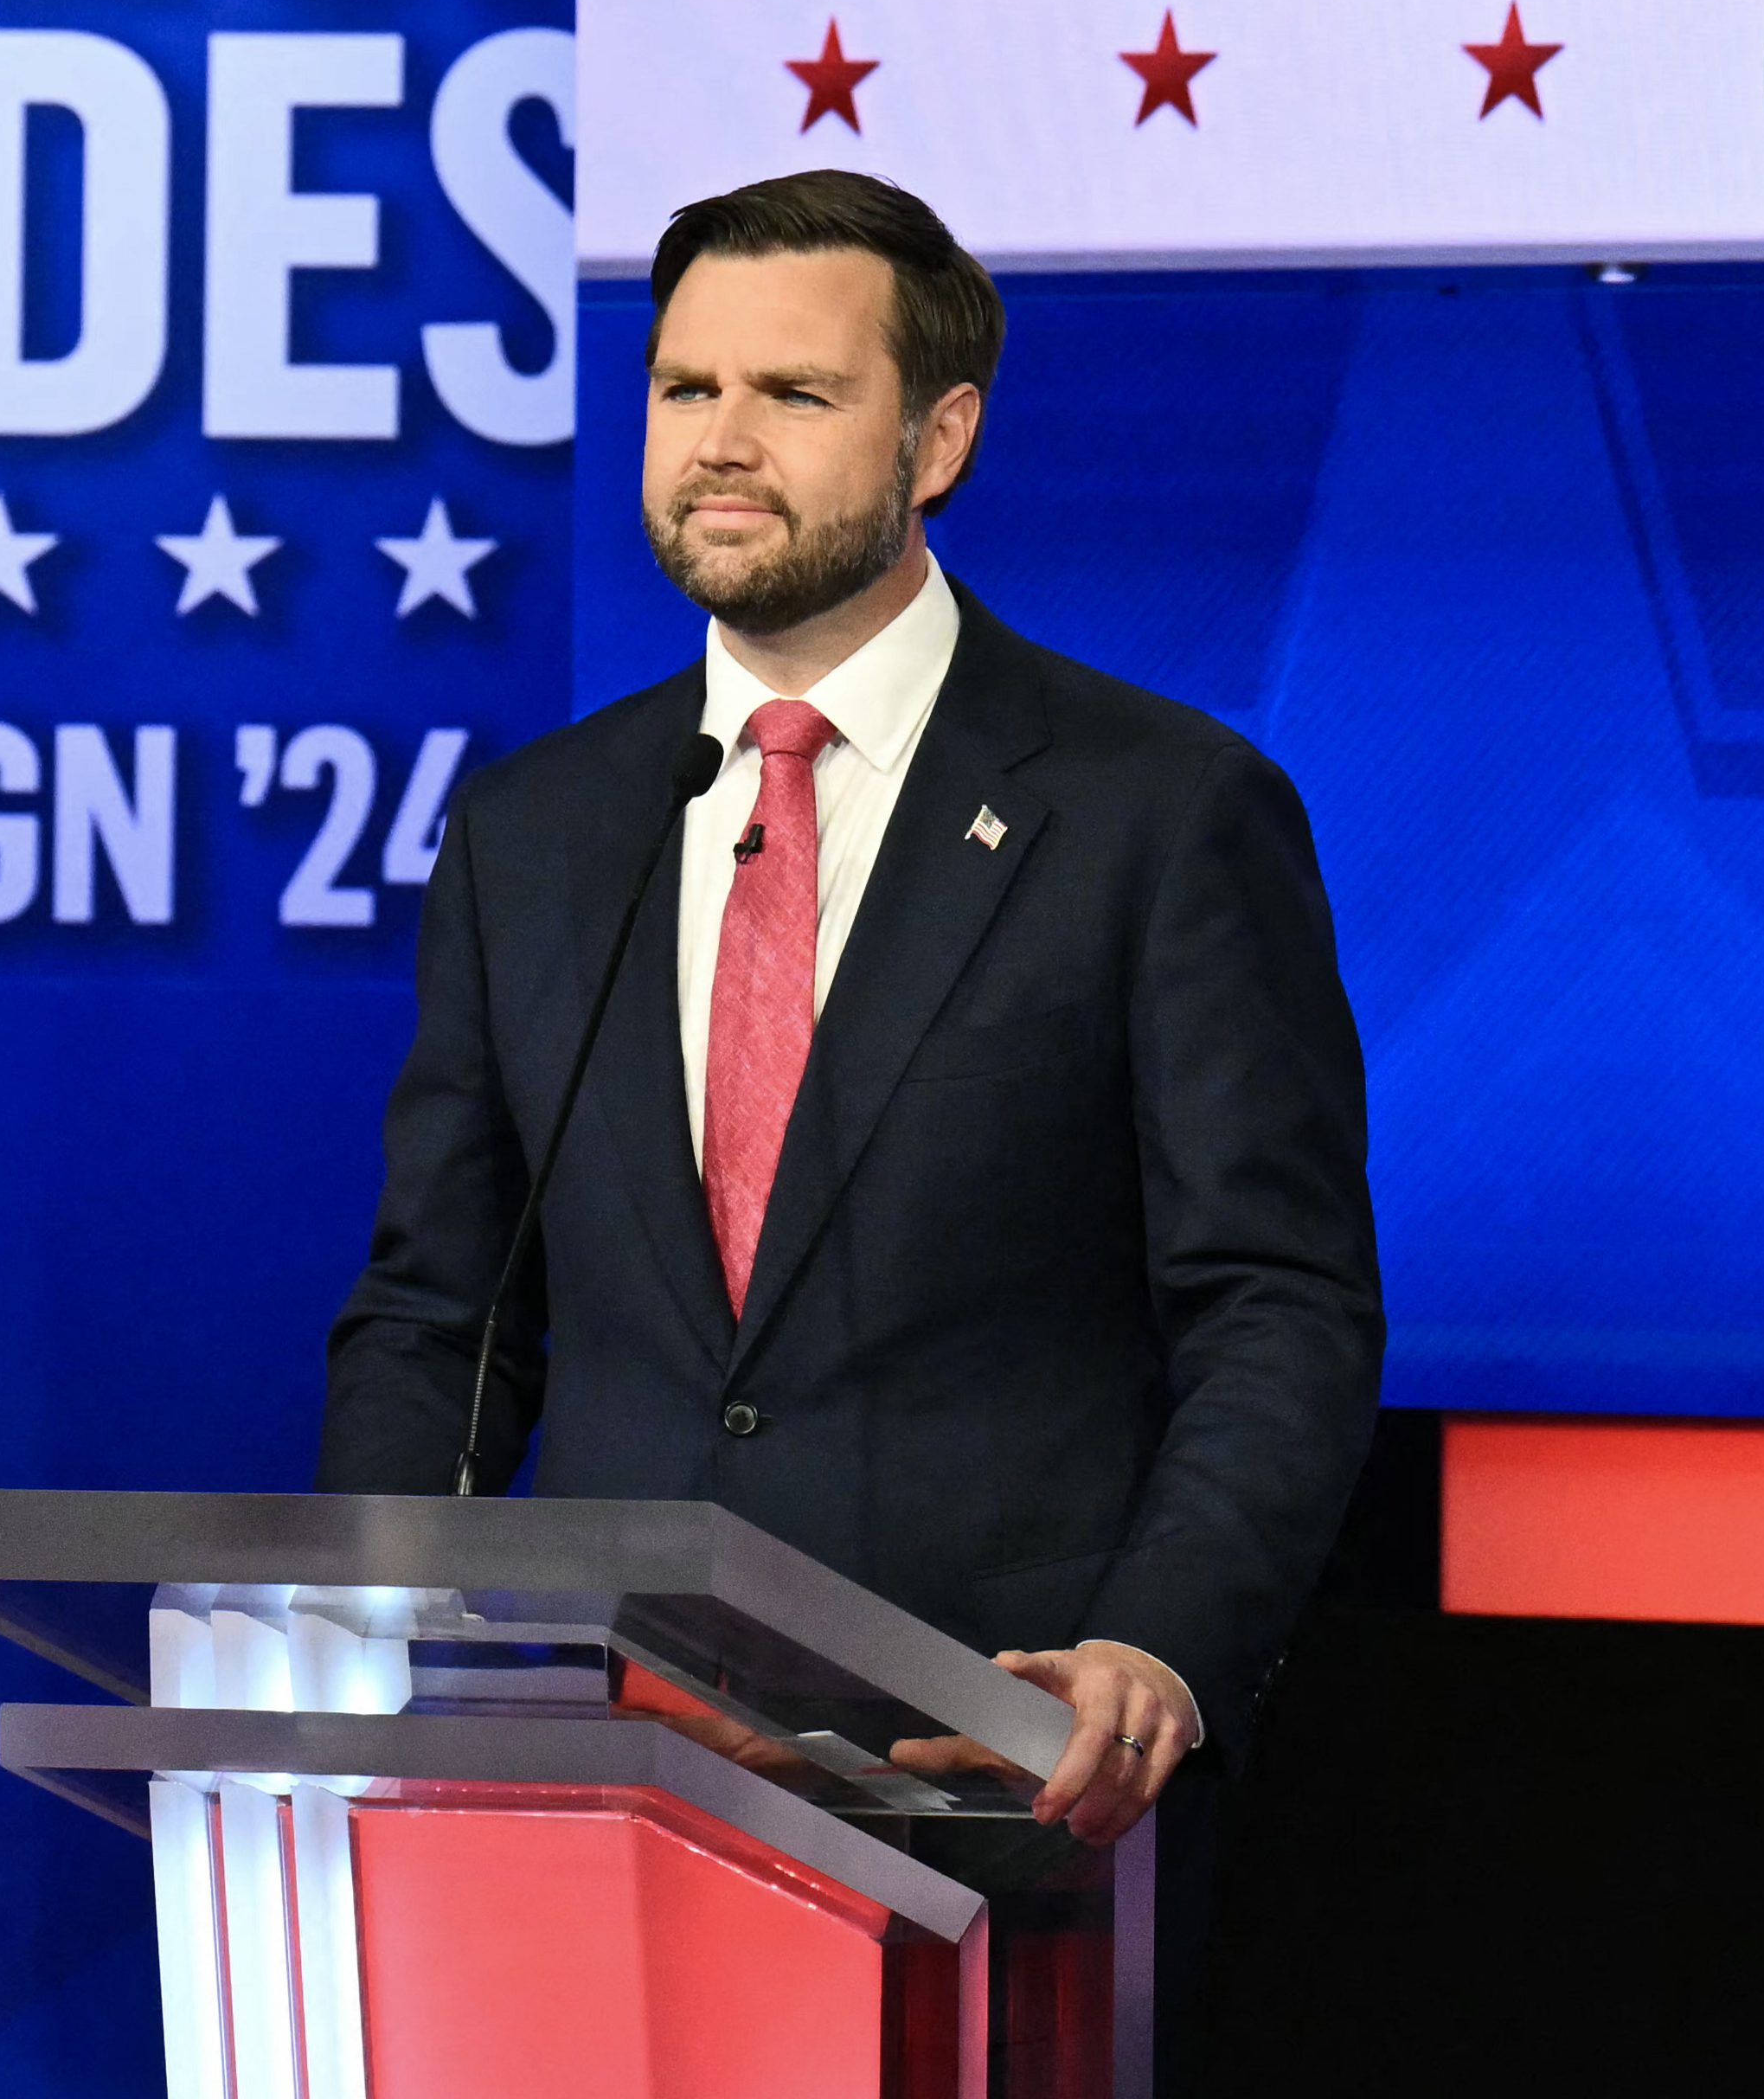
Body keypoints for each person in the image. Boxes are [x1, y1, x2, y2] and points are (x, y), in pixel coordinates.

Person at [318, 167, 1382, 2046]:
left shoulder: (1157, 812)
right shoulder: (538, 835)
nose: (719, 445)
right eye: (682, 391)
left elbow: (1275, 1305)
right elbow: (441, 1311)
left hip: (1000, 1788)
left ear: (939, 436)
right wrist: (358, 1639)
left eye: (792, 396)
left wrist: (1153, 1650)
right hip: (598, 1785)